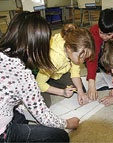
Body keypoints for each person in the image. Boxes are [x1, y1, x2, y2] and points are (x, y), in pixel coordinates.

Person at [0, 12, 80, 142]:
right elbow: (43, 116)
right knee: (60, 136)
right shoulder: (23, 77)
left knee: (21, 116)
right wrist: (68, 123)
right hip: (3, 134)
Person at [36, 24, 95, 106]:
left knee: (79, 88)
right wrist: (62, 92)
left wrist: (80, 92)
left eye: (84, 58)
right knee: (43, 104)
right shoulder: (55, 59)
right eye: (81, 57)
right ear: (68, 48)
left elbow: (75, 72)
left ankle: (53, 84)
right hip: (39, 75)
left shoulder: (73, 45)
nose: (82, 61)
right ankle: (49, 84)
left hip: (57, 72)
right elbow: (39, 83)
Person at [86, 8, 113, 101]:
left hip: (104, 51)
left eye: (108, 34)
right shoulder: (93, 32)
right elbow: (92, 58)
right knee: (92, 63)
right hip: (92, 52)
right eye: (101, 33)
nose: (104, 37)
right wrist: (91, 84)